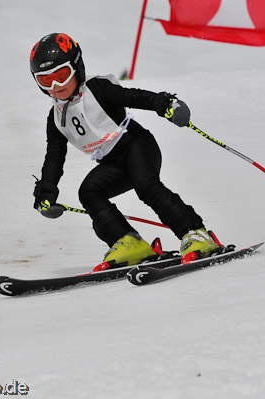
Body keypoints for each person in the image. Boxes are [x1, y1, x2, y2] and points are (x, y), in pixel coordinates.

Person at [30, 33, 219, 268]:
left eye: (61, 75)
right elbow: (54, 156)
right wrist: (47, 190)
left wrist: (164, 104)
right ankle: (128, 242)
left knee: (146, 186)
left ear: (77, 68)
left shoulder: (96, 89)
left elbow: (133, 96)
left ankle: (196, 234)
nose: (56, 86)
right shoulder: (56, 118)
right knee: (90, 192)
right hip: (112, 163)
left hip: (136, 145)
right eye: (45, 81)